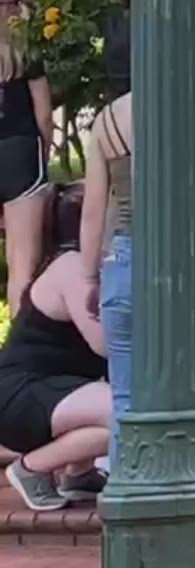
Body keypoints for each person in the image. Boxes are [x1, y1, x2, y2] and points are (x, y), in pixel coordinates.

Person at [82, 79, 195, 464]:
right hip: (192, 260)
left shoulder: (107, 121)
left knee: (125, 400)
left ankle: (125, 496)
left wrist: (89, 275)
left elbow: (92, 210)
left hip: (124, 260)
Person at [0, 197, 107, 511]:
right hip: (19, 396)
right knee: (129, 413)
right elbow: (105, 343)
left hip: (51, 390)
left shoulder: (88, 268)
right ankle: (31, 469)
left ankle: (79, 474)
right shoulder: (71, 268)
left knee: (122, 403)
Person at [0, 0, 55, 313]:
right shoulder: (28, 52)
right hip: (21, 157)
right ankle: (18, 354)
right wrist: (44, 154)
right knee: (22, 263)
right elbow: (45, 116)